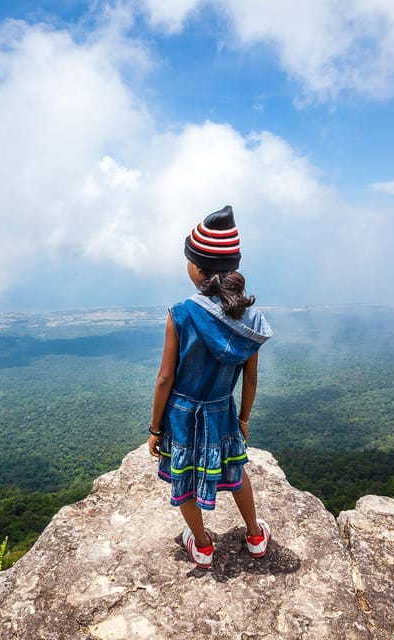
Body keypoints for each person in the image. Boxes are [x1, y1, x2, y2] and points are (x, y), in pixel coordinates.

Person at [147, 205, 273, 569]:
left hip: (182, 414)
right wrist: (244, 419)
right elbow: (250, 378)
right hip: (222, 410)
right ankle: (254, 535)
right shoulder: (248, 317)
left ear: (198, 268)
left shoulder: (182, 313)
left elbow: (165, 378)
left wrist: (155, 428)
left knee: (183, 477)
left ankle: (201, 544)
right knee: (235, 470)